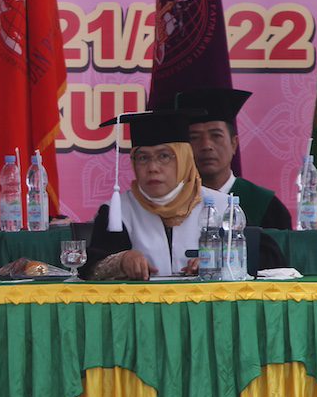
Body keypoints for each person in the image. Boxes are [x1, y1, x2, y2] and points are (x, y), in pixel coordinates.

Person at [81, 109, 223, 281]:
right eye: (142, 158)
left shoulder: (222, 207)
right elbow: (90, 270)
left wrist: (217, 263)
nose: (152, 167)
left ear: (184, 159)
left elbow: (257, 262)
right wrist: (121, 261)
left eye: (164, 156)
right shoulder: (118, 211)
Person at [174, 88, 292, 230]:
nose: (206, 146)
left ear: (233, 144)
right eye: (194, 138)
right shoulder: (173, 206)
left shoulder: (266, 206)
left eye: (216, 135)